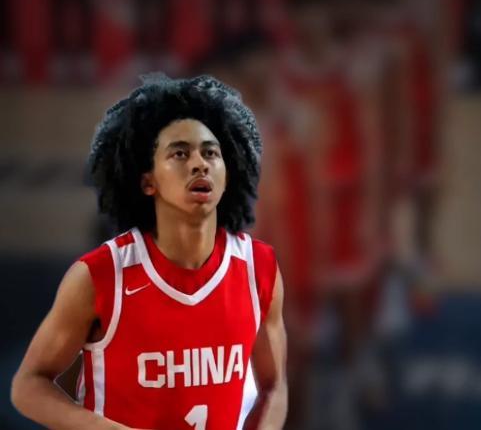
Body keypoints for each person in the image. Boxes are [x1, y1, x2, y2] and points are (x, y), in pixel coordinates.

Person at [11, 74, 288, 430]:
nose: (199, 163)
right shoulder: (100, 275)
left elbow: (274, 386)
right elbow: (29, 385)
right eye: (180, 153)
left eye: (210, 153)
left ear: (227, 173)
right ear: (148, 181)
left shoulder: (258, 267)